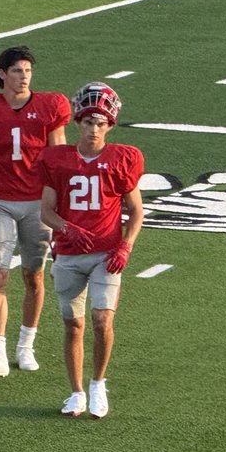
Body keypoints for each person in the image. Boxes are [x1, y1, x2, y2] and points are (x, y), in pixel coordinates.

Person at [0, 45, 70, 378]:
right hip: (0, 201)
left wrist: (60, 210)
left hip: (38, 204)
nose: (24, 77)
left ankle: (26, 346)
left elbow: (59, 159)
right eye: (17, 71)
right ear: (2, 74)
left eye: (27, 71)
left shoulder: (50, 106)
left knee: (33, 277)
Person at [38, 81, 143, 419]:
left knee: (101, 320)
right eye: (88, 122)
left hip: (105, 254)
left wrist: (126, 246)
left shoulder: (123, 158)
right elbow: (46, 212)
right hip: (69, 252)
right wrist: (68, 228)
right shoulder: (57, 159)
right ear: (78, 123)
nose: (94, 129)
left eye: (100, 123)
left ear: (109, 125)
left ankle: (98, 383)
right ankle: (76, 391)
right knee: (73, 325)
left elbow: (136, 211)